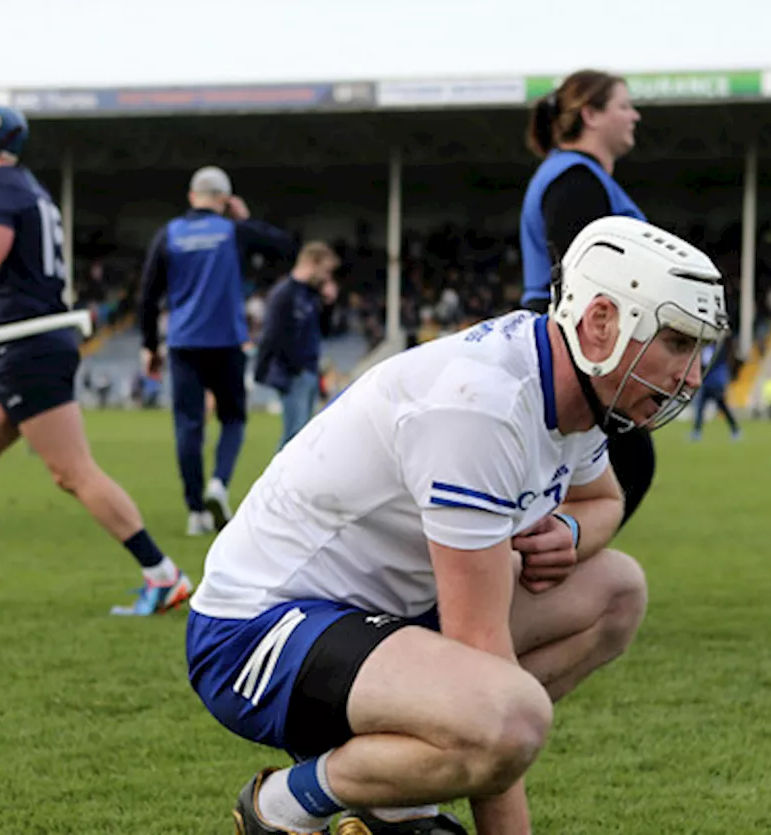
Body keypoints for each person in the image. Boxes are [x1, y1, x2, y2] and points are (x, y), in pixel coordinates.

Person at [185, 217, 729, 835]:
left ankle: (394, 793)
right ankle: (282, 807)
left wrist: (571, 537)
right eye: (679, 342)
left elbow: (603, 500)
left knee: (617, 592)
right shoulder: (483, 406)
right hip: (258, 629)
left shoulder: (568, 378)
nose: (691, 376)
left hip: (381, 614)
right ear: (602, 321)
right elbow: (486, 664)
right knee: (511, 717)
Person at [0, 101, 190, 616]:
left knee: (72, 471)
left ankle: (163, 575)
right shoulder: (24, 187)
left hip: (30, 347)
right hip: (20, 344)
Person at [519, 68, 658, 529]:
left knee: (620, 468)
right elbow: (585, 280)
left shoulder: (577, 176)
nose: (634, 115)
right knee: (624, 468)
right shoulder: (575, 180)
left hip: (566, 334)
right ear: (592, 114)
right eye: (624, 105)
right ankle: (525, 585)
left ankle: (528, 583)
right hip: (571, 339)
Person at [139, 165, 297, 536]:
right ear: (225, 201)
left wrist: (149, 345)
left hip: (183, 343)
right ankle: (219, 483)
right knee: (234, 419)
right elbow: (287, 248)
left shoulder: (169, 235)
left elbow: (147, 295)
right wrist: (247, 218)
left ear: (192, 197)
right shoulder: (234, 231)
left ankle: (195, 511)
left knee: (188, 427)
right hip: (226, 341)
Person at [254, 241, 341, 450]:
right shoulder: (284, 294)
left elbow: (325, 331)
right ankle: (277, 482)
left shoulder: (310, 295)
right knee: (293, 437)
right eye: (325, 271)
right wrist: (265, 370)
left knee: (301, 436)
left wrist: (329, 305)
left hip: (309, 371)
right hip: (293, 374)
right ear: (312, 263)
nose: (327, 277)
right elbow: (271, 335)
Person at [690, 340, 741, 440]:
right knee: (701, 407)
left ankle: (735, 430)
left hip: (715, 383)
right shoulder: (710, 349)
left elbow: (708, 364)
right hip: (708, 382)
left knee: (721, 407)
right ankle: (697, 432)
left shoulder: (717, 349)